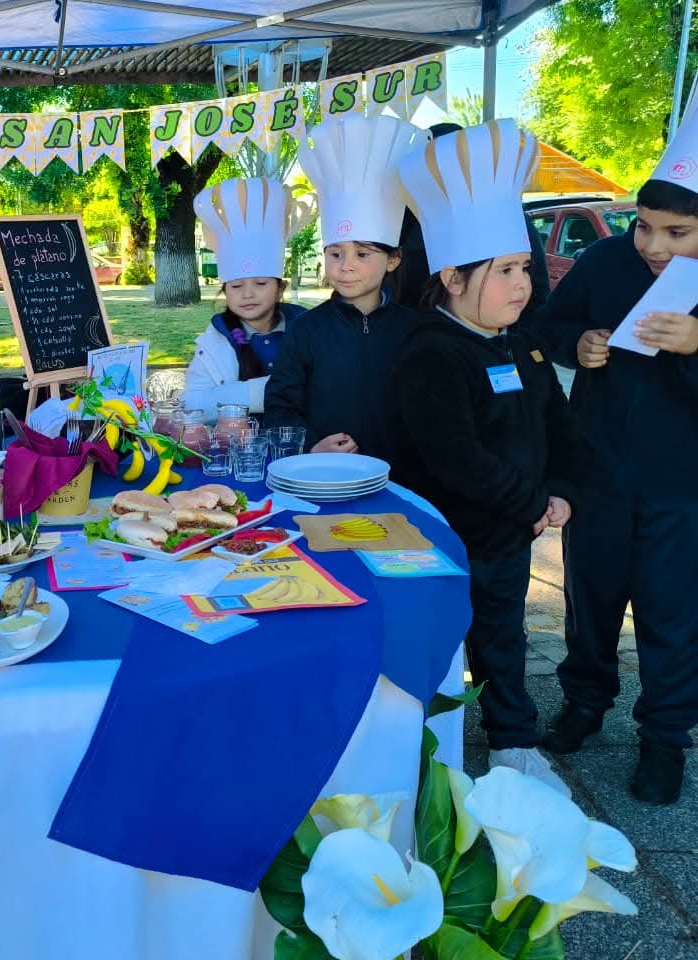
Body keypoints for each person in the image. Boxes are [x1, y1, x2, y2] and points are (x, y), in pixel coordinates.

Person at [393, 121, 583, 797]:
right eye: (504, 271)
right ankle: (421, 757)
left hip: (510, 534)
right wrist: (532, 502)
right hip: (448, 539)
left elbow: (557, 423)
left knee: (505, 640)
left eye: (524, 268)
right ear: (452, 276)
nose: (522, 284)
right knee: (439, 647)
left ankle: (512, 746)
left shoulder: (522, 345)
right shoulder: (431, 353)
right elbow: (457, 457)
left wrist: (560, 489)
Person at [534, 105, 698, 805]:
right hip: (598, 465)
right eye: (644, 225)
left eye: (677, 233)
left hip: (681, 482)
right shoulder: (604, 261)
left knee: (672, 610)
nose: (654, 245)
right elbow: (548, 324)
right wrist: (578, 345)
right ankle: (584, 701)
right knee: (591, 597)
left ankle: (664, 736)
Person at [262, 115, 428, 463]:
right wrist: (311, 445)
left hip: (401, 478)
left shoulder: (415, 331)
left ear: (393, 259)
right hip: (326, 474)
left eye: (362, 254)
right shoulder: (306, 331)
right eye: (335, 254)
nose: (345, 266)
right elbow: (280, 407)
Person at [183, 176, 307, 421]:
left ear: (280, 289)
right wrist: (262, 392)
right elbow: (191, 404)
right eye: (236, 286)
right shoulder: (215, 342)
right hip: (238, 442)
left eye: (260, 284)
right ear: (225, 291)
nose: (247, 294)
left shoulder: (307, 330)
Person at [397, 121, 551, 316]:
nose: (442, 171)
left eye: (451, 161)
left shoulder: (507, 215)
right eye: (433, 163)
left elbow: (538, 291)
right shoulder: (407, 219)